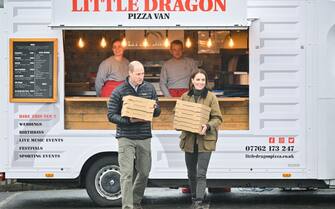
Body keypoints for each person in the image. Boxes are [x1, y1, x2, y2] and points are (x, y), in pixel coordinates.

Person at [107, 61, 161, 209]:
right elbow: (111, 115)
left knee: (144, 172)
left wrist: (155, 108)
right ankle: (128, 206)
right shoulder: (119, 91)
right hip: (126, 137)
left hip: (144, 136)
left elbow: (157, 112)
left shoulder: (149, 88)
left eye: (142, 73)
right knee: (126, 174)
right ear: (130, 73)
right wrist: (128, 120)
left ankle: (136, 202)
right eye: (138, 74)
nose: (141, 77)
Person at [178, 69, 223, 209]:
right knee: (191, 173)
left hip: (205, 140)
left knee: (201, 173)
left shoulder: (211, 97)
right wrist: (181, 122)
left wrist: (208, 126)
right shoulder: (185, 97)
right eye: (197, 79)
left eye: (203, 80)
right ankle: (194, 197)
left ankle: (198, 202)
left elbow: (218, 118)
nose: (200, 82)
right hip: (189, 140)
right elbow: (179, 115)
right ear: (192, 81)